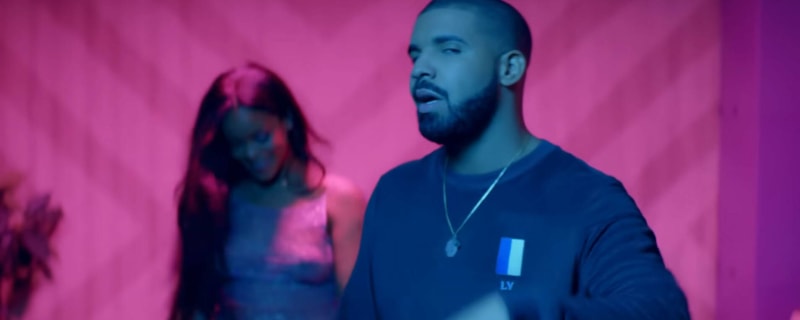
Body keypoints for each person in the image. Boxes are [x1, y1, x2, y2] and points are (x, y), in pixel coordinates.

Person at [337, 0, 690, 319]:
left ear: (509, 69)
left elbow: (661, 311)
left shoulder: (588, 198)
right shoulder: (394, 191)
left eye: (449, 49)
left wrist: (520, 312)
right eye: (416, 55)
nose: (420, 70)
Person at [170, 62, 367, 320]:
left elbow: (357, 311)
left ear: (286, 119)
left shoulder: (339, 202)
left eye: (260, 136)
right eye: (237, 144)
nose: (251, 153)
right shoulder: (217, 199)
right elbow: (196, 305)